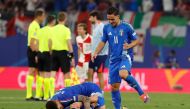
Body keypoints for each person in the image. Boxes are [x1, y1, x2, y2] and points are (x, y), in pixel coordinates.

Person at [92, 7, 150, 109]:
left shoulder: (127, 27)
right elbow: (102, 41)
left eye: (112, 19)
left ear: (118, 17)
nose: (110, 21)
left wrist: (129, 46)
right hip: (113, 60)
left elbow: (136, 40)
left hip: (125, 56)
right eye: (109, 19)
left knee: (123, 73)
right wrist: (96, 52)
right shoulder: (106, 28)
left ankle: (142, 93)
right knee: (114, 87)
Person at [50, 12, 74, 91]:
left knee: (53, 72)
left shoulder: (53, 28)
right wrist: (72, 56)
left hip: (54, 52)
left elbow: (50, 42)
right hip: (63, 53)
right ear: (65, 19)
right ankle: (67, 92)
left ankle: (50, 93)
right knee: (66, 73)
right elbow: (69, 44)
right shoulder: (66, 29)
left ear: (57, 19)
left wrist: (51, 52)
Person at [26, 9, 45, 100]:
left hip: (33, 50)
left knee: (37, 71)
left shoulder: (36, 25)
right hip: (33, 50)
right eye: (43, 16)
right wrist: (36, 53)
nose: (44, 17)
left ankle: (39, 93)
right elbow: (32, 41)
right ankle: (29, 95)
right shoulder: (34, 25)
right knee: (32, 70)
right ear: (39, 16)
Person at [35, 15, 56, 100]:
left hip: (40, 53)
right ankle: (46, 96)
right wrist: (51, 51)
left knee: (41, 76)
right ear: (53, 21)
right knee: (47, 75)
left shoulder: (41, 30)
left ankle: (39, 95)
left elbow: (37, 43)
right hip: (48, 54)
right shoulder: (52, 30)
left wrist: (37, 54)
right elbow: (50, 42)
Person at [88, 10, 108, 90]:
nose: (89, 19)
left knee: (99, 74)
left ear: (95, 17)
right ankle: (90, 92)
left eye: (90, 17)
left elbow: (105, 41)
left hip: (101, 55)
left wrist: (99, 52)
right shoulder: (95, 27)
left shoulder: (102, 27)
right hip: (94, 55)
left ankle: (101, 94)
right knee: (89, 73)